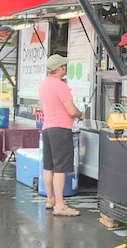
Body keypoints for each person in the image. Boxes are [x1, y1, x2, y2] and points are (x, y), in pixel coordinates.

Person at [38, 54, 84, 216]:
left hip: (47, 128)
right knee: (60, 168)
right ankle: (60, 205)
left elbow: (42, 109)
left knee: (48, 166)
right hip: (61, 130)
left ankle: (50, 198)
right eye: (64, 66)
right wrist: (80, 114)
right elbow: (71, 111)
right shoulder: (61, 86)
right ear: (59, 69)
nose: (65, 69)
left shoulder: (43, 85)